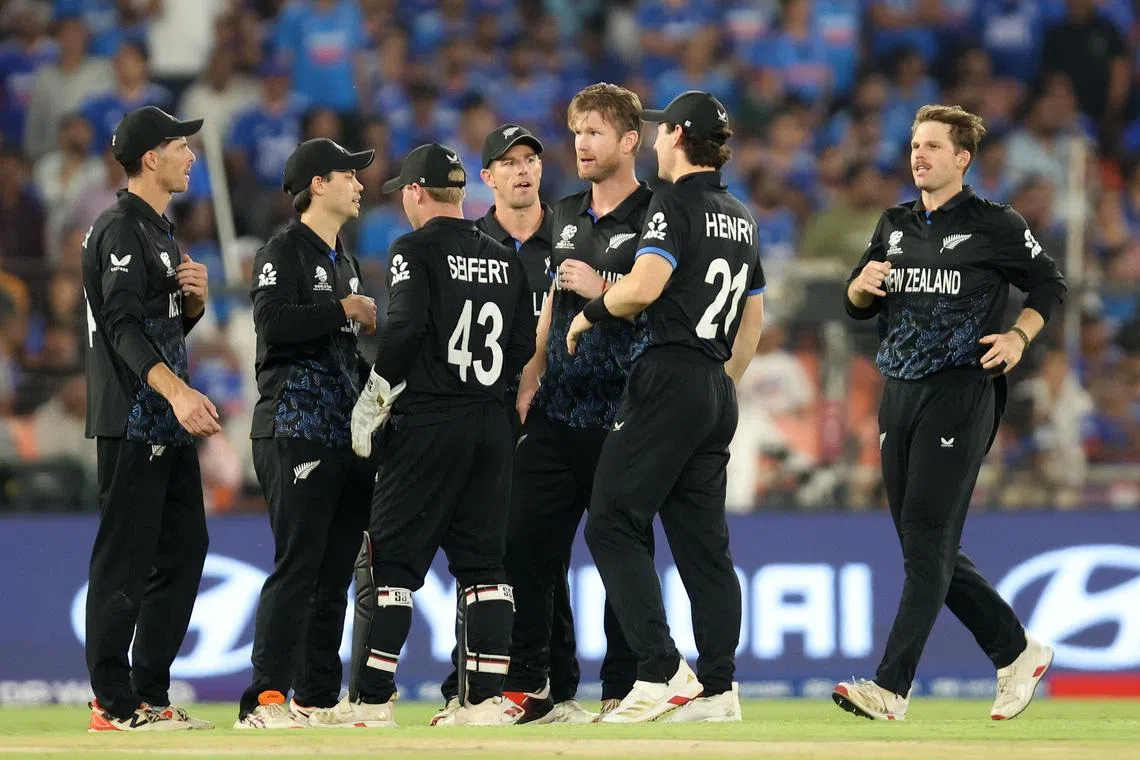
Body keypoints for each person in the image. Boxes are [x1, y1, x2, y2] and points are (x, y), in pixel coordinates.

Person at [832, 104, 1066, 721]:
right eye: (915, 144)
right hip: (899, 392)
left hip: (962, 390)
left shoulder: (996, 223)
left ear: (963, 158)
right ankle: (1016, 650)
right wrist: (860, 286)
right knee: (922, 544)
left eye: (933, 146)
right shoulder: (894, 223)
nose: (919, 154)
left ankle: (891, 688)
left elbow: (1049, 284)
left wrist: (1019, 336)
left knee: (929, 538)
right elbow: (857, 301)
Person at [308, 143, 537, 727]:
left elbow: (406, 328)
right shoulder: (506, 257)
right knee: (484, 568)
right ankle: (483, 703)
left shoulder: (413, 248)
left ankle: (370, 700)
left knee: (389, 566)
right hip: (490, 422)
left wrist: (376, 395)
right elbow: (521, 344)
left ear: (414, 192)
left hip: (430, 422)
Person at [567, 90, 765, 723]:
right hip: (714, 384)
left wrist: (590, 313)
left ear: (678, 136)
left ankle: (659, 671)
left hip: (669, 374)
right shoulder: (740, 214)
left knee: (609, 523)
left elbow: (644, 287)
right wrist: (719, 381)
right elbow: (753, 317)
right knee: (705, 548)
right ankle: (720, 689)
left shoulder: (673, 202)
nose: (654, 139)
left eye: (660, 130)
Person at [505, 83, 655, 723]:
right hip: (557, 410)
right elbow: (551, 304)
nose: (582, 144)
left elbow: (663, 304)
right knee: (524, 545)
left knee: (621, 552)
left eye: (595, 132)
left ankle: (624, 686)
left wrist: (604, 286)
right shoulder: (564, 213)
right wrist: (532, 373)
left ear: (630, 140)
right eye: (577, 132)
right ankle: (533, 684)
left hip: (624, 413)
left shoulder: (657, 216)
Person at [81, 106, 220, 732]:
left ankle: (148, 693)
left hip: (163, 419)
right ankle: (112, 702)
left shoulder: (158, 231)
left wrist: (190, 308)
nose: (190, 155)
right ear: (149, 158)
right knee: (125, 560)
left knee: (185, 550)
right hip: (133, 419)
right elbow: (120, 327)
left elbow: (152, 331)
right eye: (179, 145)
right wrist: (178, 393)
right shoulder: (119, 229)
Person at [234, 138, 380, 729]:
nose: (360, 184)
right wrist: (344, 309)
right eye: (349, 175)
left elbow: (343, 355)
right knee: (298, 565)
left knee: (334, 573)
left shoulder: (345, 260)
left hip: (343, 435)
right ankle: (264, 698)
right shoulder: (283, 250)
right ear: (317, 185)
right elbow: (270, 322)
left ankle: (316, 699)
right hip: (293, 427)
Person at [431, 122, 567, 725]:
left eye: (530, 159)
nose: (522, 170)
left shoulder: (569, 238)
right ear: (486, 177)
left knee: (541, 554)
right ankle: (487, 681)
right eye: (508, 162)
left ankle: (548, 684)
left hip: (566, 412)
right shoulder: (468, 243)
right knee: (491, 553)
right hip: (489, 418)